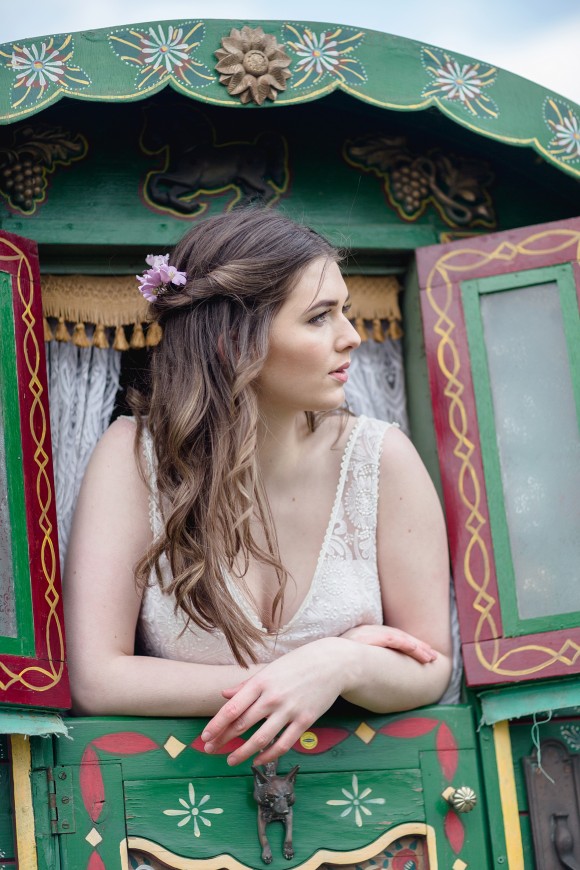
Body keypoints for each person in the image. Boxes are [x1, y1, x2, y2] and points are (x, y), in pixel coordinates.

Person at [64, 208, 452, 768]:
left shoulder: (381, 459)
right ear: (234, 340)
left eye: (345, 311)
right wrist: (294, 676)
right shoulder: (133, 458)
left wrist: (337, 666)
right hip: (178, 807)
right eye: (320, 317)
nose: (352, 337)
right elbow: (96, 681)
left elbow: (431, 667)